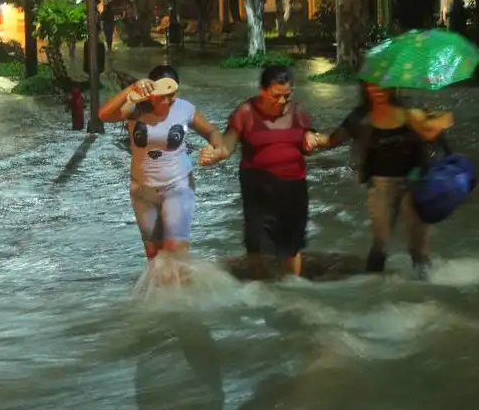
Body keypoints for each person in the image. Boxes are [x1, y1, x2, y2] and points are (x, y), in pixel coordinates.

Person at [307, 82, 454, 278]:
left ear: (393, 87)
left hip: (414, 184)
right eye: (372, 86)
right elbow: (332, 140)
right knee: (381, 242)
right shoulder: (361, 117)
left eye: (382, 86)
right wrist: (310, 136)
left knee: (418, 244)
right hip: (381, 185)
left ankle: (426, 285)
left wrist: (439, 121)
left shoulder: (410, 111)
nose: (377, 90)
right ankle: (372, 288)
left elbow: (434, 135)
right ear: (365, 89)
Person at [198, 65, 319, 278]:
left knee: (291, 245)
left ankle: (292, 287)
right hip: (257, 186)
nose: (282, 101)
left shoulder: (297, 112)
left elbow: (309, 140)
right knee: (256, 242)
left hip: (293, 187)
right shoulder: (246, 112)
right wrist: (214, 155)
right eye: (276, 96)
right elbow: (228, 144)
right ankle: (261, 289)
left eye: (286, 96)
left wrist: (313, 140)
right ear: (262, 90)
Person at [98, 65, 225, 262]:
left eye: (172, 94)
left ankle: (184, 289)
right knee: (153, 253)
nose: (166, 100)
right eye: (161, 94)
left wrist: (217, 150)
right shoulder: (135, 108)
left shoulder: (185, 109)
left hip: (178, 184)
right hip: (143, 189)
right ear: (150, 89)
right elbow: (104, 115)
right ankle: (161, 291)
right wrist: (132, 89)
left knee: (175, 248)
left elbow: (211, 132)